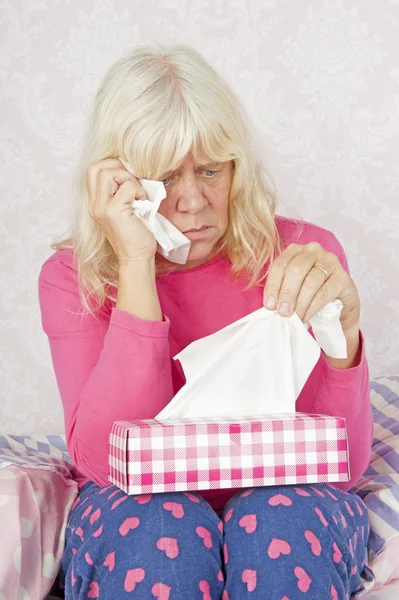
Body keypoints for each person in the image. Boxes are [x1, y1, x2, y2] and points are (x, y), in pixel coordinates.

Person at [38, 43, 373, 600]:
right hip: (140, 511)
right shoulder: (72, 277)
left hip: (289, 505)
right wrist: (136, 262)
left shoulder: (304, 254)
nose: (193, 202)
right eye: (164, 179)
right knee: (158, 525)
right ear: (121, 185)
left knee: (277, 520)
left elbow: (341, 468)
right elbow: (102, 464)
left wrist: (346, 340)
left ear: (238, 165)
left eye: (212, 170)